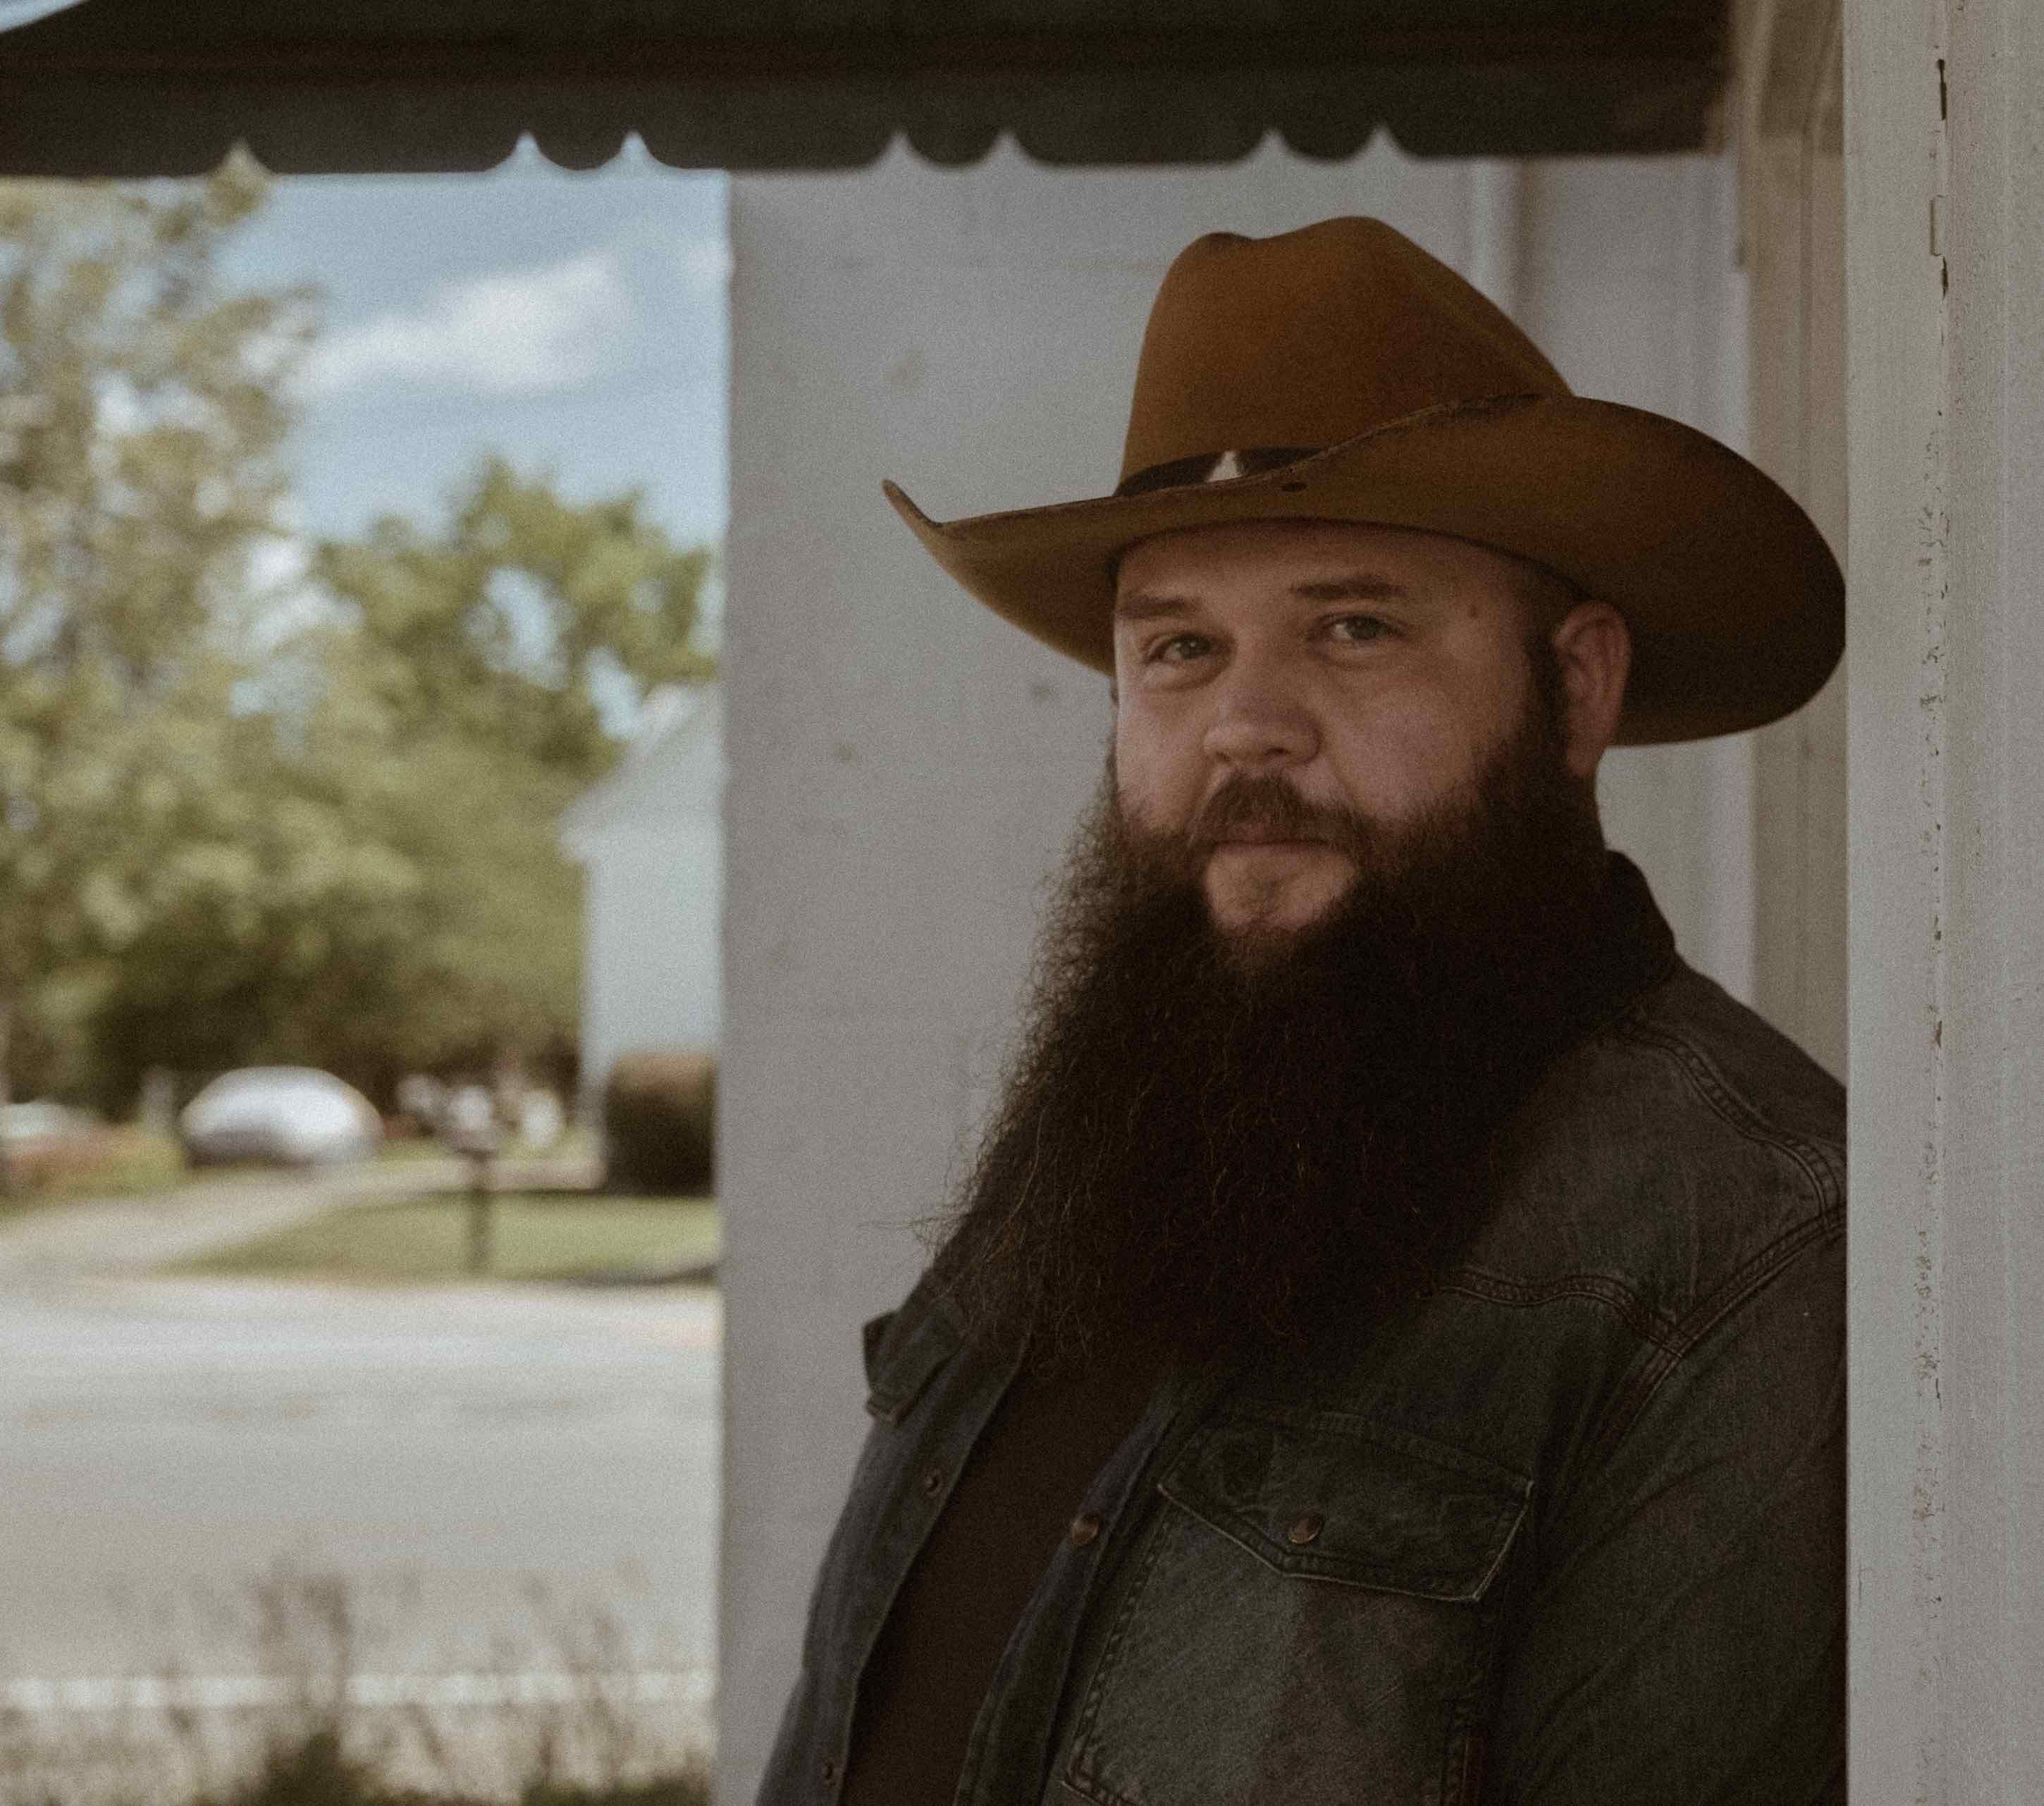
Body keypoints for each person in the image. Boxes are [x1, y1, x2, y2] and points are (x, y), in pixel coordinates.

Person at [760, 217, 1846, 1805]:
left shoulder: (1744, 1243)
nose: (1245, 730)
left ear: (1579, 687)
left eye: (1355, 627)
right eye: (1180, 649)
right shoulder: (1138, 1107)